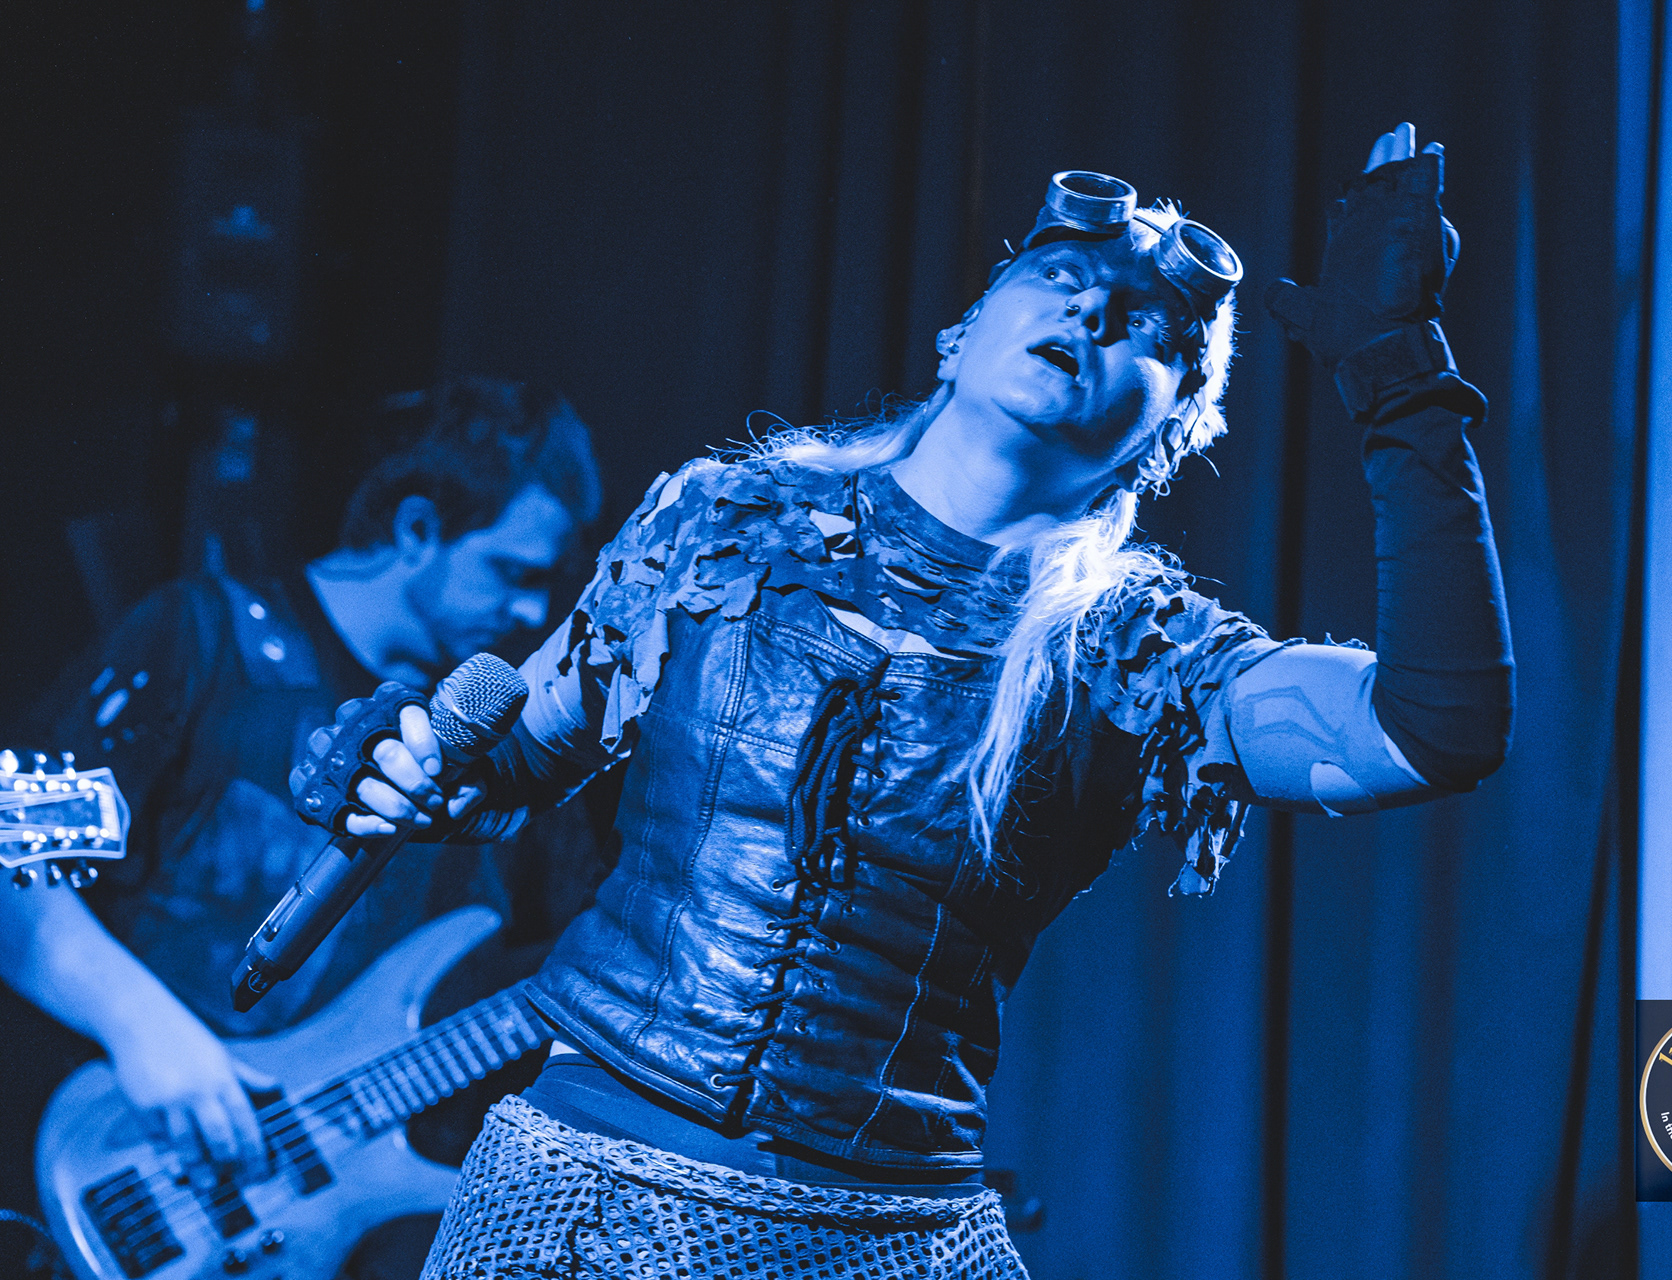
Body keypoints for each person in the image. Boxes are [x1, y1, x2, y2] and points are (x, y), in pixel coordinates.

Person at [306, 123, 1512, 1278]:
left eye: (1151, 324)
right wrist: (407, 759)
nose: (1094, 311)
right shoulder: (721, 518)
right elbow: (520, 747)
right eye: (1060, 275)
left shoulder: (1142, 653)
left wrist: (1397, 375)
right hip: (575, 1200)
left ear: (1171, 431)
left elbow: (1432, 726)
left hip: (884, 1236)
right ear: (962, 330)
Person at [0, 378, 604, 1272]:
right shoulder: (203, 638)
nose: (531, 614)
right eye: (513, 572)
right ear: (417, 529)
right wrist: (139, 1025)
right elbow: (12, 850)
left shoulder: (513, 757)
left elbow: (578, 963)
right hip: (100, 1159)